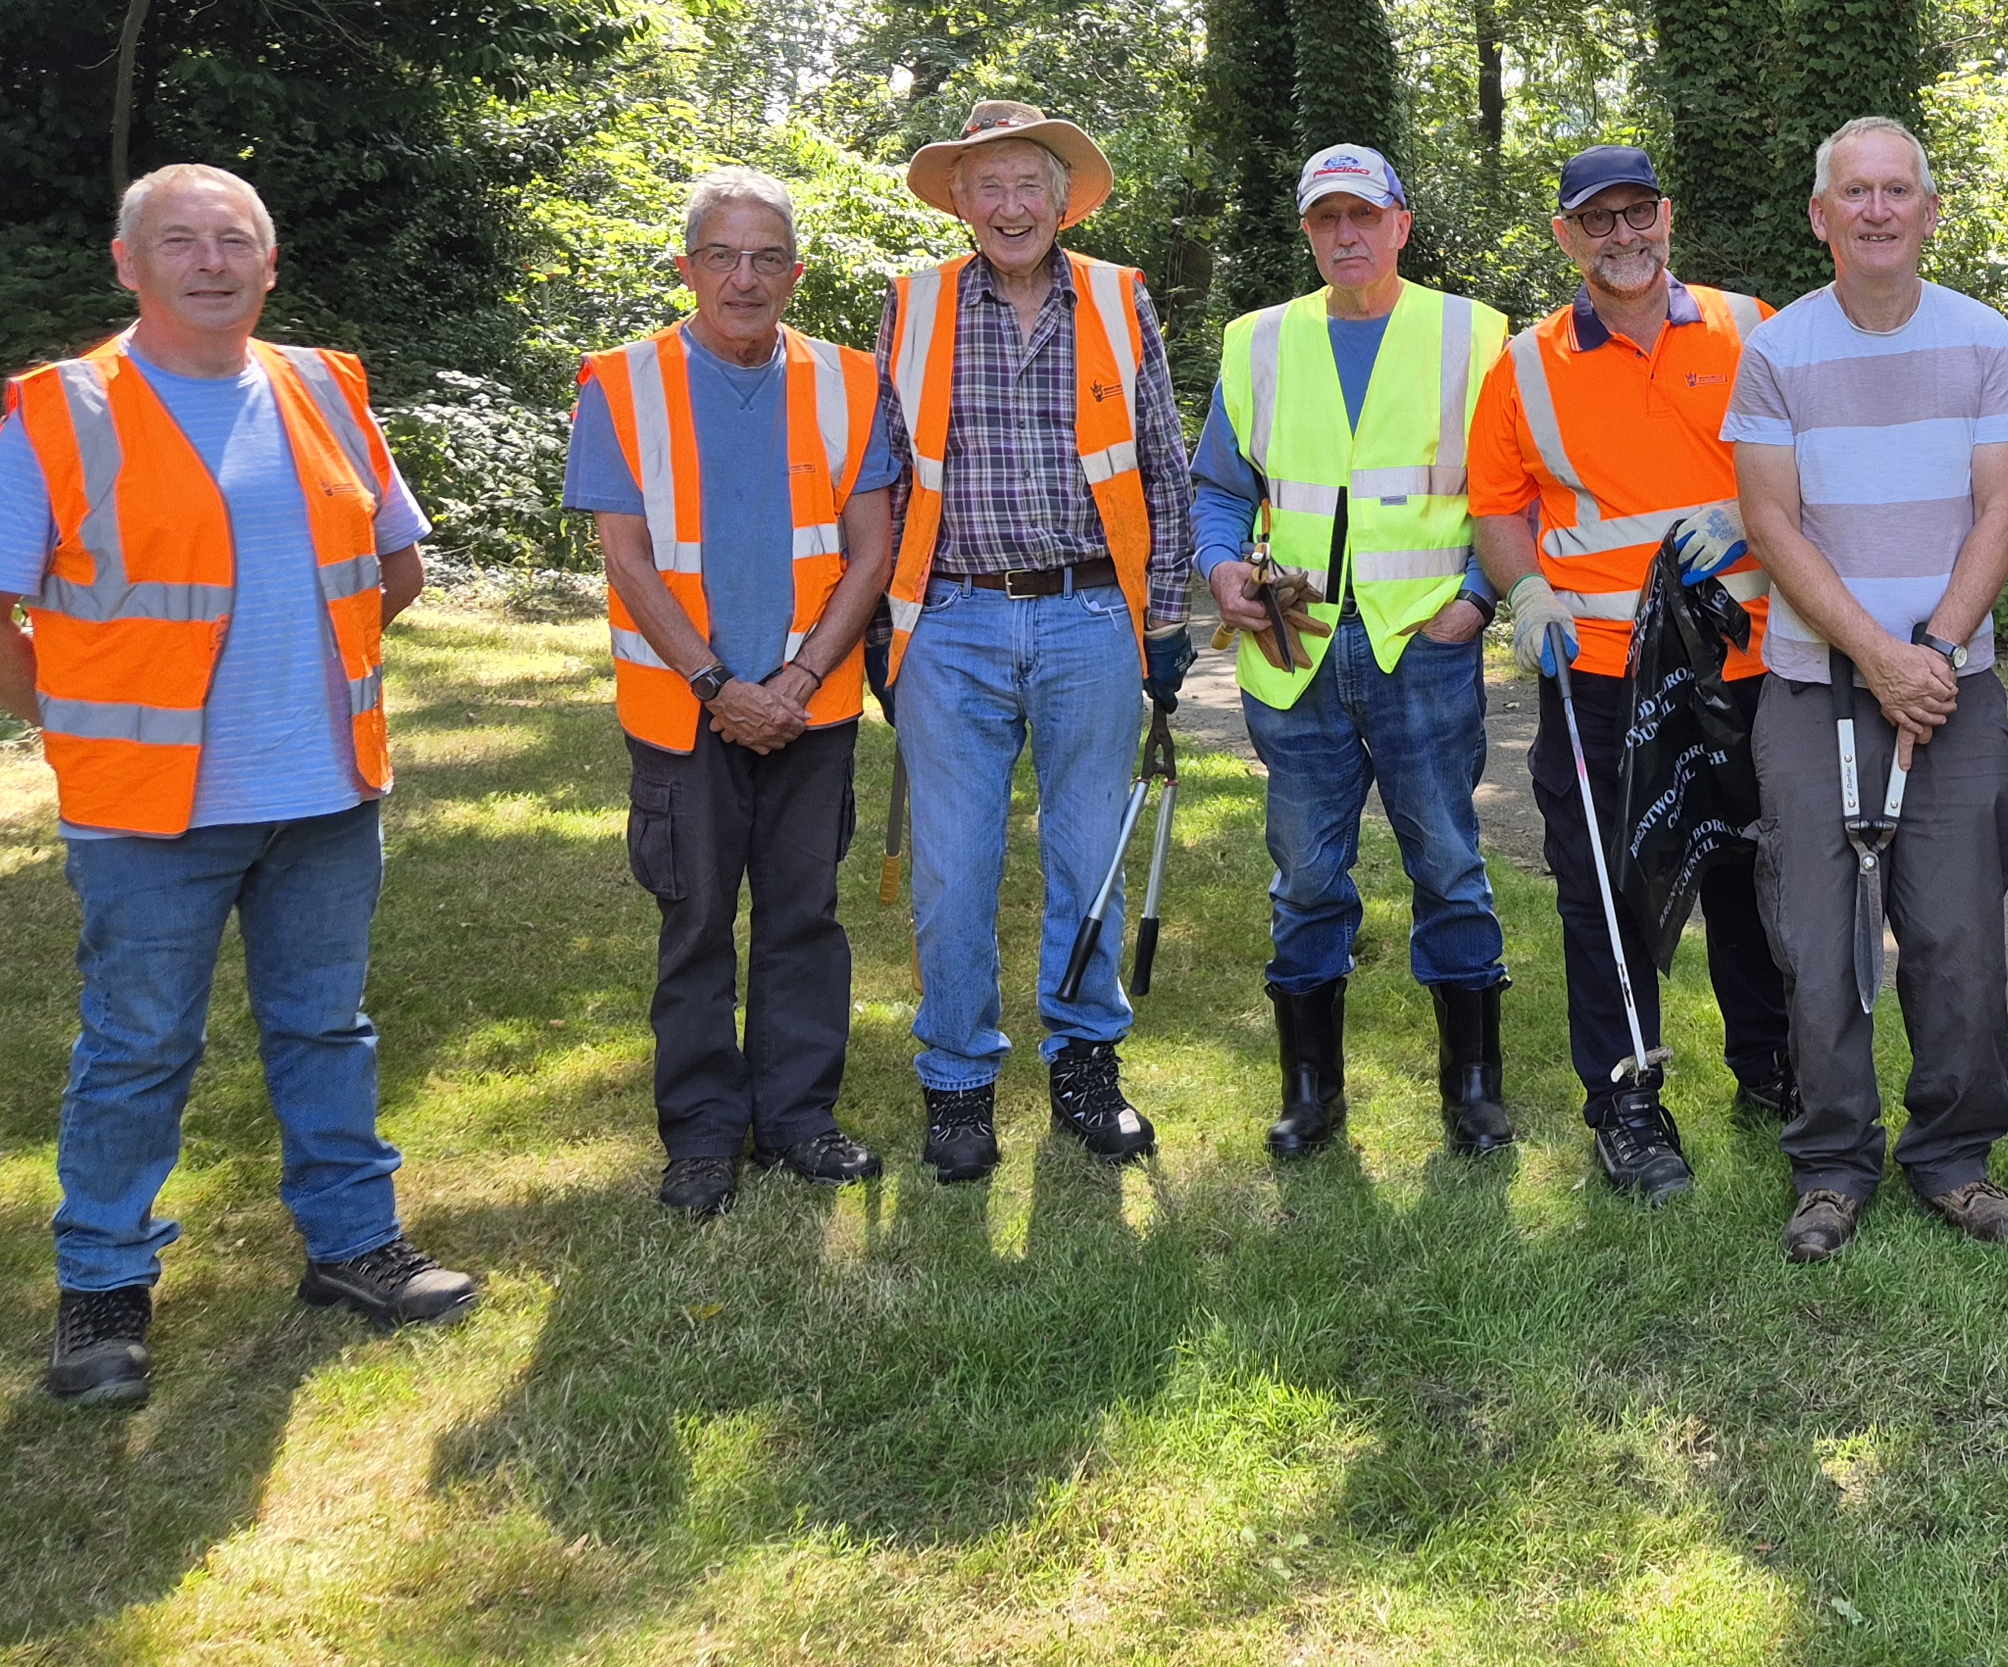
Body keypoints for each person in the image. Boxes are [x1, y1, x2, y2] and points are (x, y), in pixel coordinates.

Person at [0, 162, 473, 1409]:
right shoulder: (66, 410)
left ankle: (353, 1248)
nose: (212, 261)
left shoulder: (325, 385)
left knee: (327, 1026)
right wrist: (83, 722)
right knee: (136, 1047)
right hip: (149, 812)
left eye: (237, 240)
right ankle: (105, 1286)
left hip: (326, 789)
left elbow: (398, 566)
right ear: (129, 264)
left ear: (270, 264)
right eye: (181, 240)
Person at [1726, 116, 2008, 1262]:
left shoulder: (1981, 338)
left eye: (1895, 190)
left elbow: (2003, 505)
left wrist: (1935, 652)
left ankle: (1953, 1158)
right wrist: (1874, 653)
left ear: (1928, 211)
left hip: (1951, 688)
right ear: (1820, 216)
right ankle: (1830, 1164)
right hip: (1817, 685)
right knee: (1816, 935)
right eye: (1852, 191)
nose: (1875, 209)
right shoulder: (1776, 351)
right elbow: (1771, 518)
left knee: (1957, 933)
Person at [566, 169, 902, 1216]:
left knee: (805, 915)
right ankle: (704, 1134)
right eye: (723, 255)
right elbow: (625, 557)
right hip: (684, 711)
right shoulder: (619, 382)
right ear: (686, 268)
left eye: (766, 258)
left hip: (813, 708)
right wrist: (720, 684)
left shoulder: (852, 381)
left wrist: (795, 678)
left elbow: (872, 546)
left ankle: (800, 1118)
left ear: (795, 274)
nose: (744, 278)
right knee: (697, 919)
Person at [876, 100, 1199, 1181]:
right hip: (952, 620)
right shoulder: (910, 307)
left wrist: (1161, 623)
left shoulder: (1120, 299)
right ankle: (959, 1080)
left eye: (1029, 185)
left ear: (1063, 199)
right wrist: (886, 625)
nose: (1010, 206)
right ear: (959, 200)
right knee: (953, 867)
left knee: (1085, 857)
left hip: (1089, 615)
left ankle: (1085, 1067)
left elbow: (1163, 465)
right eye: (989, 186)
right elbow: (873, 480)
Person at [1467, 144, 1796, 1203]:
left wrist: (1748, 513)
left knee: (1753, 874)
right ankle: (1627, 1099)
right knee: (1602, 887)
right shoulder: (1525, 364)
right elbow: (1498, 505)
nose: (1622, 237)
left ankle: (1772, 1068)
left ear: (1667, 215)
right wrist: (1525, 592)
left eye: (1637, 214)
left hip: (1747, 664)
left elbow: (1818, 454)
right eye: (1595, 221)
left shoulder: (1755, 326)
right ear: (1565, 237)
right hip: (1596, 671)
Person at [1194, 144, 1513, 1161]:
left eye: (1362, 216)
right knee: (1304, 874)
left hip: (1422, 644)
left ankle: (1471, 1086)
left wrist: (1476, 596)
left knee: (1451, 863)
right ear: (1306, 230)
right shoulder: (1257, 342)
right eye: (1326, 217)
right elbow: (1218, 488)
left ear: (1400, 225)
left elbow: (1516, 491)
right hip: (1295, 653)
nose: (1345, 235)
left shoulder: (1477, 334)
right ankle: (1309, 1090)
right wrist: (1218, 569)